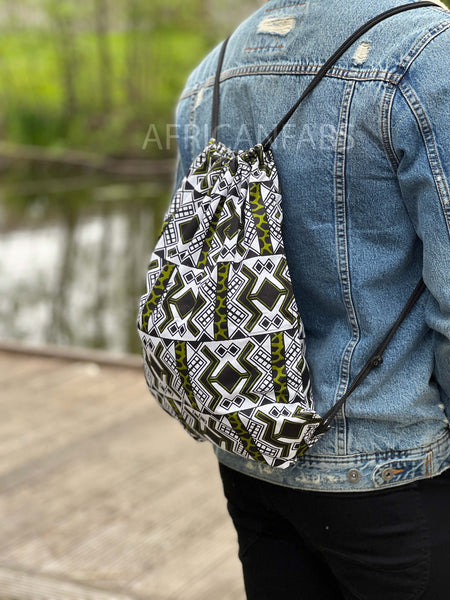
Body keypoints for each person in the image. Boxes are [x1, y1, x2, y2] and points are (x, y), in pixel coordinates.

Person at [171, 0, 450, 597]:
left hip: (249, 448)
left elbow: (187, 262)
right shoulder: (427, 53)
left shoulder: (214, 68)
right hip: (389, 463)